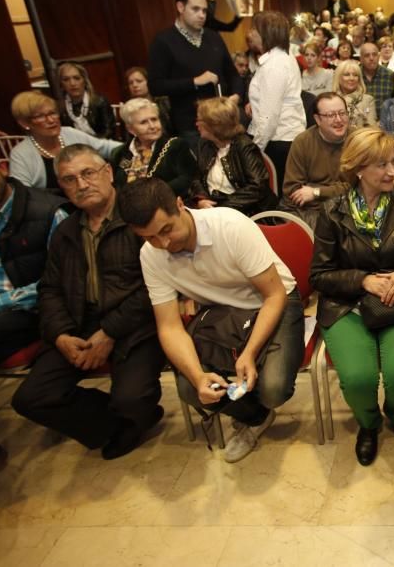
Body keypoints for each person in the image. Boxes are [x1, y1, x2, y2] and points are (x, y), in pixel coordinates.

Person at [119, 177, 304, 463]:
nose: (163, 243)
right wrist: (197, 375)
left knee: (274, 388)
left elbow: (274, 294)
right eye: (149, 237)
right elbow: (168, 326)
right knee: (190, 388)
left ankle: (257, 400)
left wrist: (249, 352)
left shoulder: (229, 225)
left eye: (166, 230)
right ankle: (255, 417)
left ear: (180, 205)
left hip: (272, 300)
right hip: (220, 312)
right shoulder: (150, 255)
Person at [11, 145, 166, 460]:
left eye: (88, 173)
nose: (81, 185)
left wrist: (109, 332)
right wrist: (61, 335)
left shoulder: (138, 219)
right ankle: (113, 425)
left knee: (132, 399)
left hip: (135, 325)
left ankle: (133, 414)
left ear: (108, 173)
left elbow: (158, 286)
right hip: (78, 323)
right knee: (31, 398)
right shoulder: (65, 231)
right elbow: (50, 288)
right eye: (69, 180)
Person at [0, 145, 66, 517]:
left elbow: (59, 279)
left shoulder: (45, 209)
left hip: (25, 306)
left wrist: (0, 304)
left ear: (1, 168)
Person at [310, 127, 394, 467]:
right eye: (382, 165)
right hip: (348, 307)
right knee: (359, 379)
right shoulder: (332, 212)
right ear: (358, 169)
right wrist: (364, 281)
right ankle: (369, 425)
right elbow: (319, 275)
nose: (393, 171)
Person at [147, 0, 238, 143]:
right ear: (180, 7)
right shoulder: (164, 41)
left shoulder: (213, 37)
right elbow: (156, 86)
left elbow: (232, 73)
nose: (201, 15)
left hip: (223, 121)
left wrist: (236, 96)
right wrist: (194, 82)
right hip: (191, 125)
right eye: (195, 9)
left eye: (204, 10)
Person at [8, 91, 122, 191]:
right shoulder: (20, 154)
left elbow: (107, 147)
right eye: (40, 116)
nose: (51, 120)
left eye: (52, 113)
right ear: (25, 123)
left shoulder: (69, 133)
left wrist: (136, 146)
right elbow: (21, 195)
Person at [246, 11, 307, 193]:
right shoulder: (281, 59)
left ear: (266, 33)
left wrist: (256, 150)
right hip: (283, 138)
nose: (250, 34)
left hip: (277, 141)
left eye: (254, 29)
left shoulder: (275, 65)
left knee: (276, 194)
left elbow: (269, 117)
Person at [189, 96, 275, 216]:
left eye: (200, 120)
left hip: (245, 213)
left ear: (215, 125)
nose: (196, 124)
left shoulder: (244, 146)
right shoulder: (205, 145)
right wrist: (201, 200)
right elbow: (197, 178)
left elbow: (257, 187)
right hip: (212, 210)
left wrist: (222, 209)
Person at [280, 93, 350, 231]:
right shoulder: (303, 142)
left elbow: (360, 188)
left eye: (342, 113)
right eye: (330, 115)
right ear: (318, 119)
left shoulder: (359, 141)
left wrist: (316, 192)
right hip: (308, 211)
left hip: (347, 209)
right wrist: (338, 189)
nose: (338, 120)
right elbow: (293, 191)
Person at [111, 98, 197, 197]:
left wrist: (149, 195)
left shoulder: (176, 145)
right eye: (143, 122)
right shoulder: (119, 153)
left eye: (154, 119)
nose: (152, 126)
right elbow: (117, 186)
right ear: (130, 129)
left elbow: (186, 179)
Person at [57, 62, 115, 139]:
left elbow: (109, 132)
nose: (72, 83)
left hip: (101, 144)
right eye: (66, 79)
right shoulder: (60, 107)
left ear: (84, 80)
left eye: (77, 78)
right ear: (61, 84)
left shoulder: (99, 102)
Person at [124, 66, 172, 132]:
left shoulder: (163, 102)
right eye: (130, 83)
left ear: (148, 82)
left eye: (139, 81)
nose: (134, 85)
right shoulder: (129, 109)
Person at [333, 59, 378, 128]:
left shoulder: (368, 100)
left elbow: (372, 128)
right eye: (347, 75)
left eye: (355, 75)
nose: (352, 78)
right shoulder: (331, 100)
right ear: (339, 78)